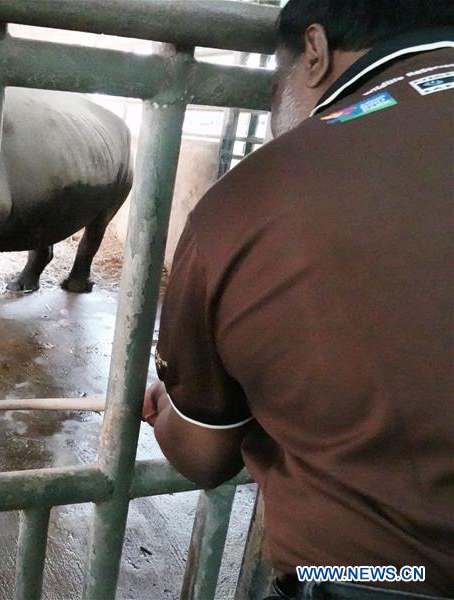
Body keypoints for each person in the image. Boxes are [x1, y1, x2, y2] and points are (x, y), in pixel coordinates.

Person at [142, 1, 453, 598]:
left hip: (378, 578)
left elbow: (206, 459)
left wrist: (165, 412)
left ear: (314, 52)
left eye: (273, 86)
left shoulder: (252, 198)